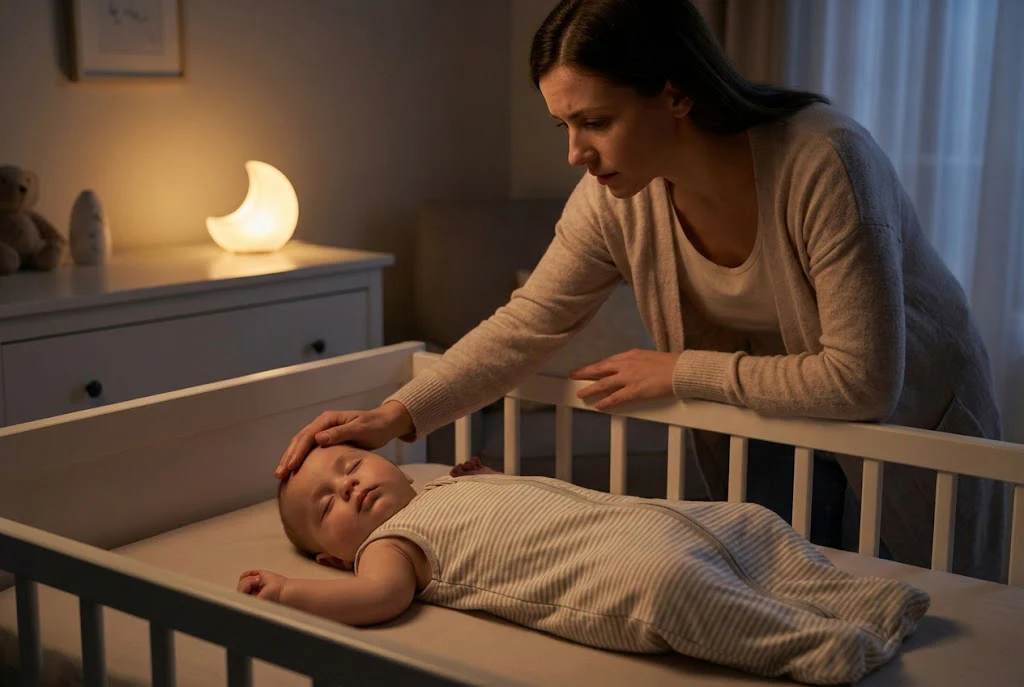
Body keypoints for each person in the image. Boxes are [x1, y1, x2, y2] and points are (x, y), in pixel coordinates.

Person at [277, 0, 1009, 581]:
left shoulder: (821, 162)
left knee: (924, 611)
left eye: (596, 121)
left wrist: (678, 370)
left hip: (909, 427)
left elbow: (864, 381)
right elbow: (529, 323)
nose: (575, 152)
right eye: (563, 124)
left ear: (675, 93)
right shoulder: (616, 198)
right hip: (770, 420)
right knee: (782, 595)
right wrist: (398, 413)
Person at [249, 445, 929, 685]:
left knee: (753, 521)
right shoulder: (388, 547)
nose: (348, 485)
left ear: (386, 459)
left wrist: (488, 477)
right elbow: (379, 599)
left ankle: (867, 600)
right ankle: (825, 647)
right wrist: (288, 592)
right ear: (333, 553)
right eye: (327, 504)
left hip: (653, 519)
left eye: (349, 465)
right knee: (677, 589)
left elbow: (522, 502)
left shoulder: (450, 484)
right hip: (618, 569)